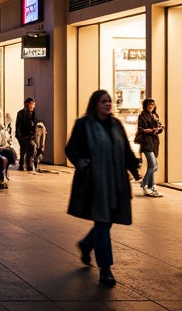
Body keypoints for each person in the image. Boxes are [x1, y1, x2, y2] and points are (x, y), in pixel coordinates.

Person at [65, 89, 141, 288]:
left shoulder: (115, 124)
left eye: (109, 101)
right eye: (103, 101)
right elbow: (71, 149)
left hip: (115, 180)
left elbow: (125, 148)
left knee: (106, 222)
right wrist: (83, 164)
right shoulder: (84, 124)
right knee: (102, 223)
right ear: (95, 104)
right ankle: (105, 269)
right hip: (95, 182)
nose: (108, 104)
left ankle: (86, 244)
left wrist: (134, 167)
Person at [135, 98, 164, 197]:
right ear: (145, 105)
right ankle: (145, 184)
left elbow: (159, 127)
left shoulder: (155, 115)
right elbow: (141, 129)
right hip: (146, 143)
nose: (151, 106)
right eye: (149, 104)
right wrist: (151, 130)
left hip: (154, 143)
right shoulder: (142, 116)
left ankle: (152, 186)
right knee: (152, 164)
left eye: (153, 104)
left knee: (154, 166)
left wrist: (159, 129)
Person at [15, 98, 38, 172]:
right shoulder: (21, 113)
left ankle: (28, 164)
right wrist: (19, 135)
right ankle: (23, 164)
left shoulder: (33, 113)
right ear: (27, 104)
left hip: (30, 135)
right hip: (23, 135)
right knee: (23, 149)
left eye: (33, 104)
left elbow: (34, 123)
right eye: (32, 104)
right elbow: (18, 125)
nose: (33, 106)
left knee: (30, 150)